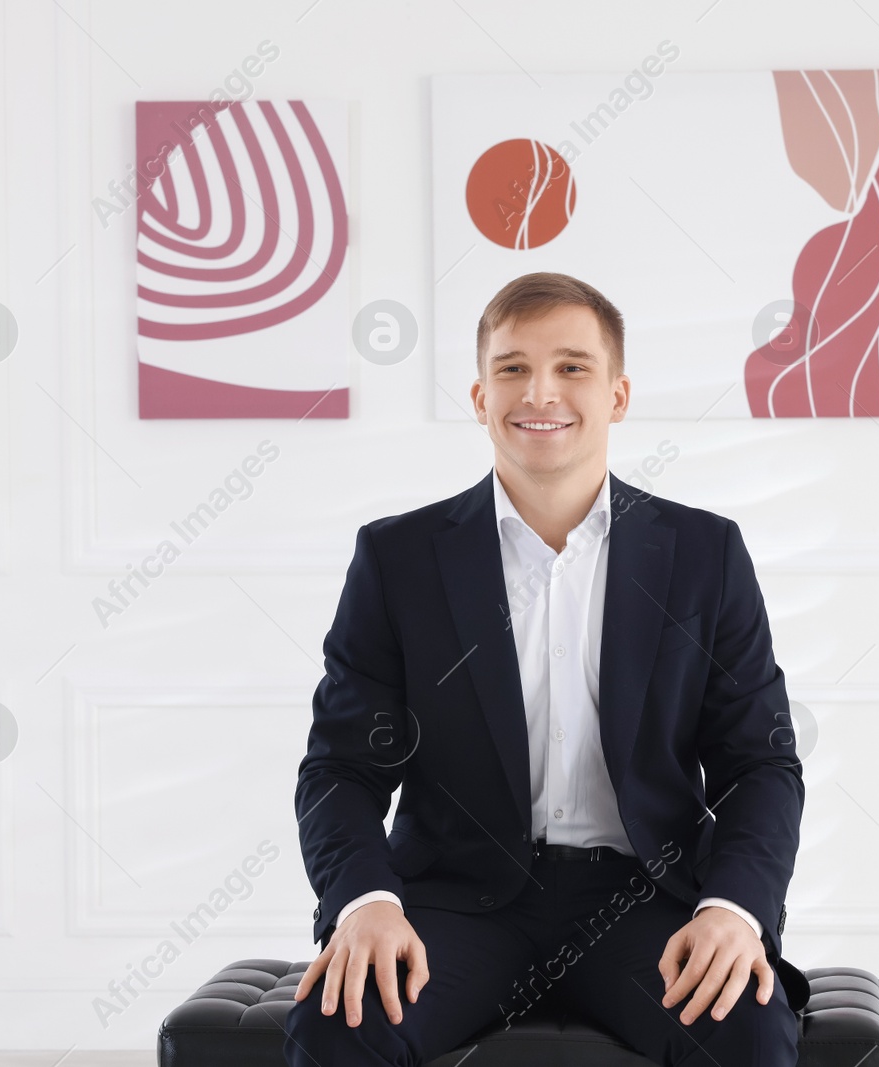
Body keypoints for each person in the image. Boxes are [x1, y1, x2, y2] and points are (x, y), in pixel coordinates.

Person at [284, 272, 807, 1066]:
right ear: (479, 393)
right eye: (512, 367)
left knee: (748, 1030)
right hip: (456, 902)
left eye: (571, 366)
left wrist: (733, 908)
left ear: (618, 394)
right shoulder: (399, 558)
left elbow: (760, 763)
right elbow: (340, 768)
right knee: (340, 1024)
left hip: (642, 898)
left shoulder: (705, 555)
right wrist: (364, 902)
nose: (540, 390)